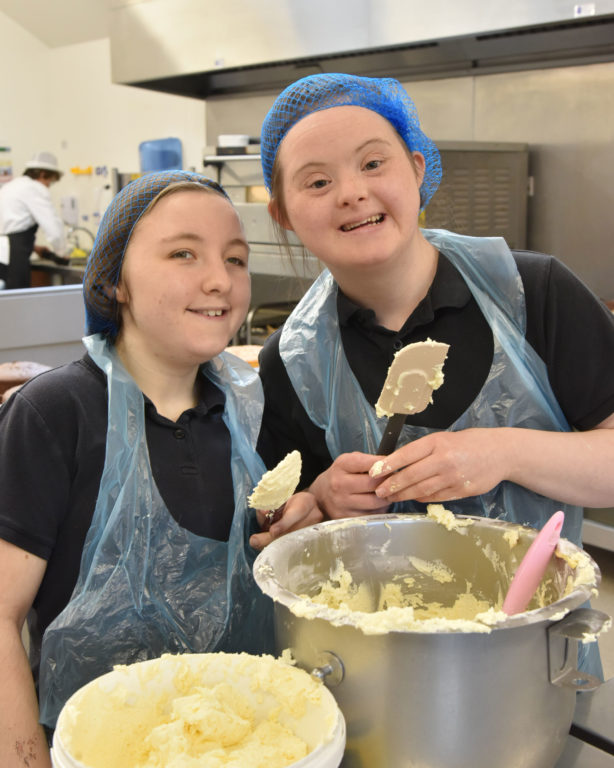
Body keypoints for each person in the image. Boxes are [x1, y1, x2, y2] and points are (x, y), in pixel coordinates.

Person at [255, 73, 614, 669]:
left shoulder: (533, 293)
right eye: (317, 181)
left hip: (532, 657)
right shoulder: (291, 363)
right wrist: (320, 499)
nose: (351, 192)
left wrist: (502, 453)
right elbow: (287, 532)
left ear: (418, 170)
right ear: (284, 213)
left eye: (374, 163)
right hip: (375, 675)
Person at [0, 170, 321, 766]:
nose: (219, 280)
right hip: (97, 750)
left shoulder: (255, 409)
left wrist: (299, 531)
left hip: (246, 745)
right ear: (114, 281)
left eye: (236, 259)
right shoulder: (52, 414)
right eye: (183, 253)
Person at [0, 151, 69, 290]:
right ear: (43, 174)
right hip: (13, 256)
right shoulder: (35, 188)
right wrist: (62, 253)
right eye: (50, 181)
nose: (49, 185)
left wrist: (34, 248)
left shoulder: (10, 186)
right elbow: (53, 227)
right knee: (19, 303)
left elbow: (9, 228)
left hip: (3, 257)